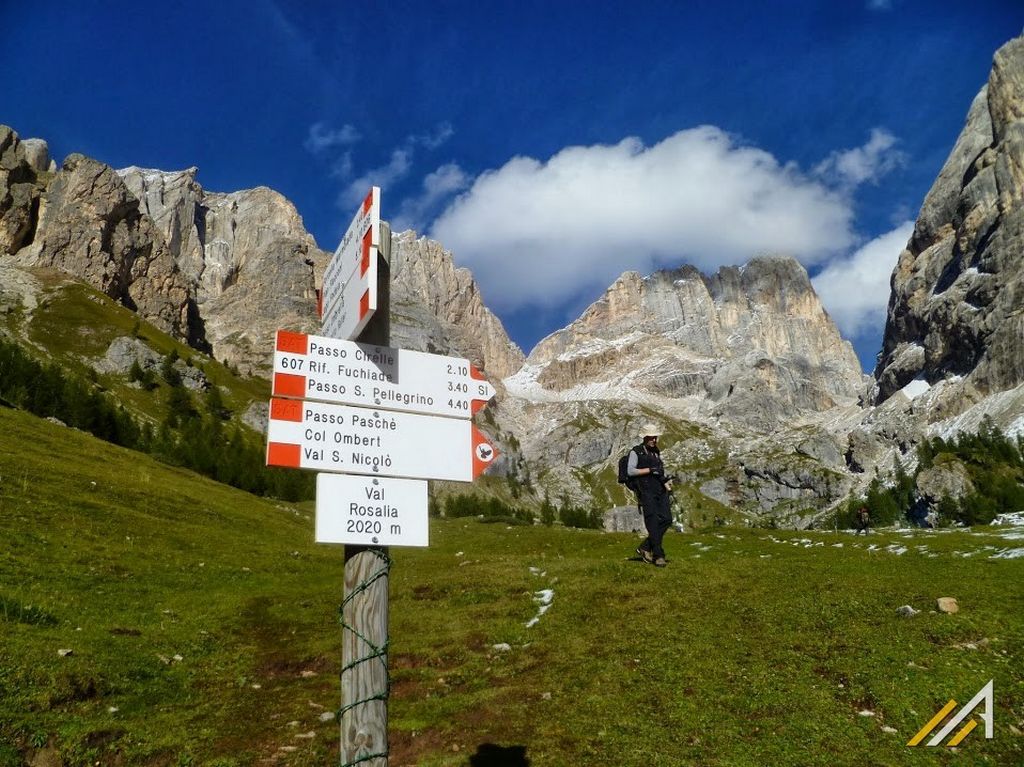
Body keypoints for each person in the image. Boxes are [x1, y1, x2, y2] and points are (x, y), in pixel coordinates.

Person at [628, 424, 674, 567]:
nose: (654, 440)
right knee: (652, 521)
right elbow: (631, 471)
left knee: (667, 519)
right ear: (645, 438)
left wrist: (665, 482)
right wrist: (649, 470)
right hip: (646, 491)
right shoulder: (636, 452)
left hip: (660, 490)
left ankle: (645, 547)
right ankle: (658, 555)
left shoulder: (656, 452)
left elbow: (658, 472)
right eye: (651, 437)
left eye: (655, 437)